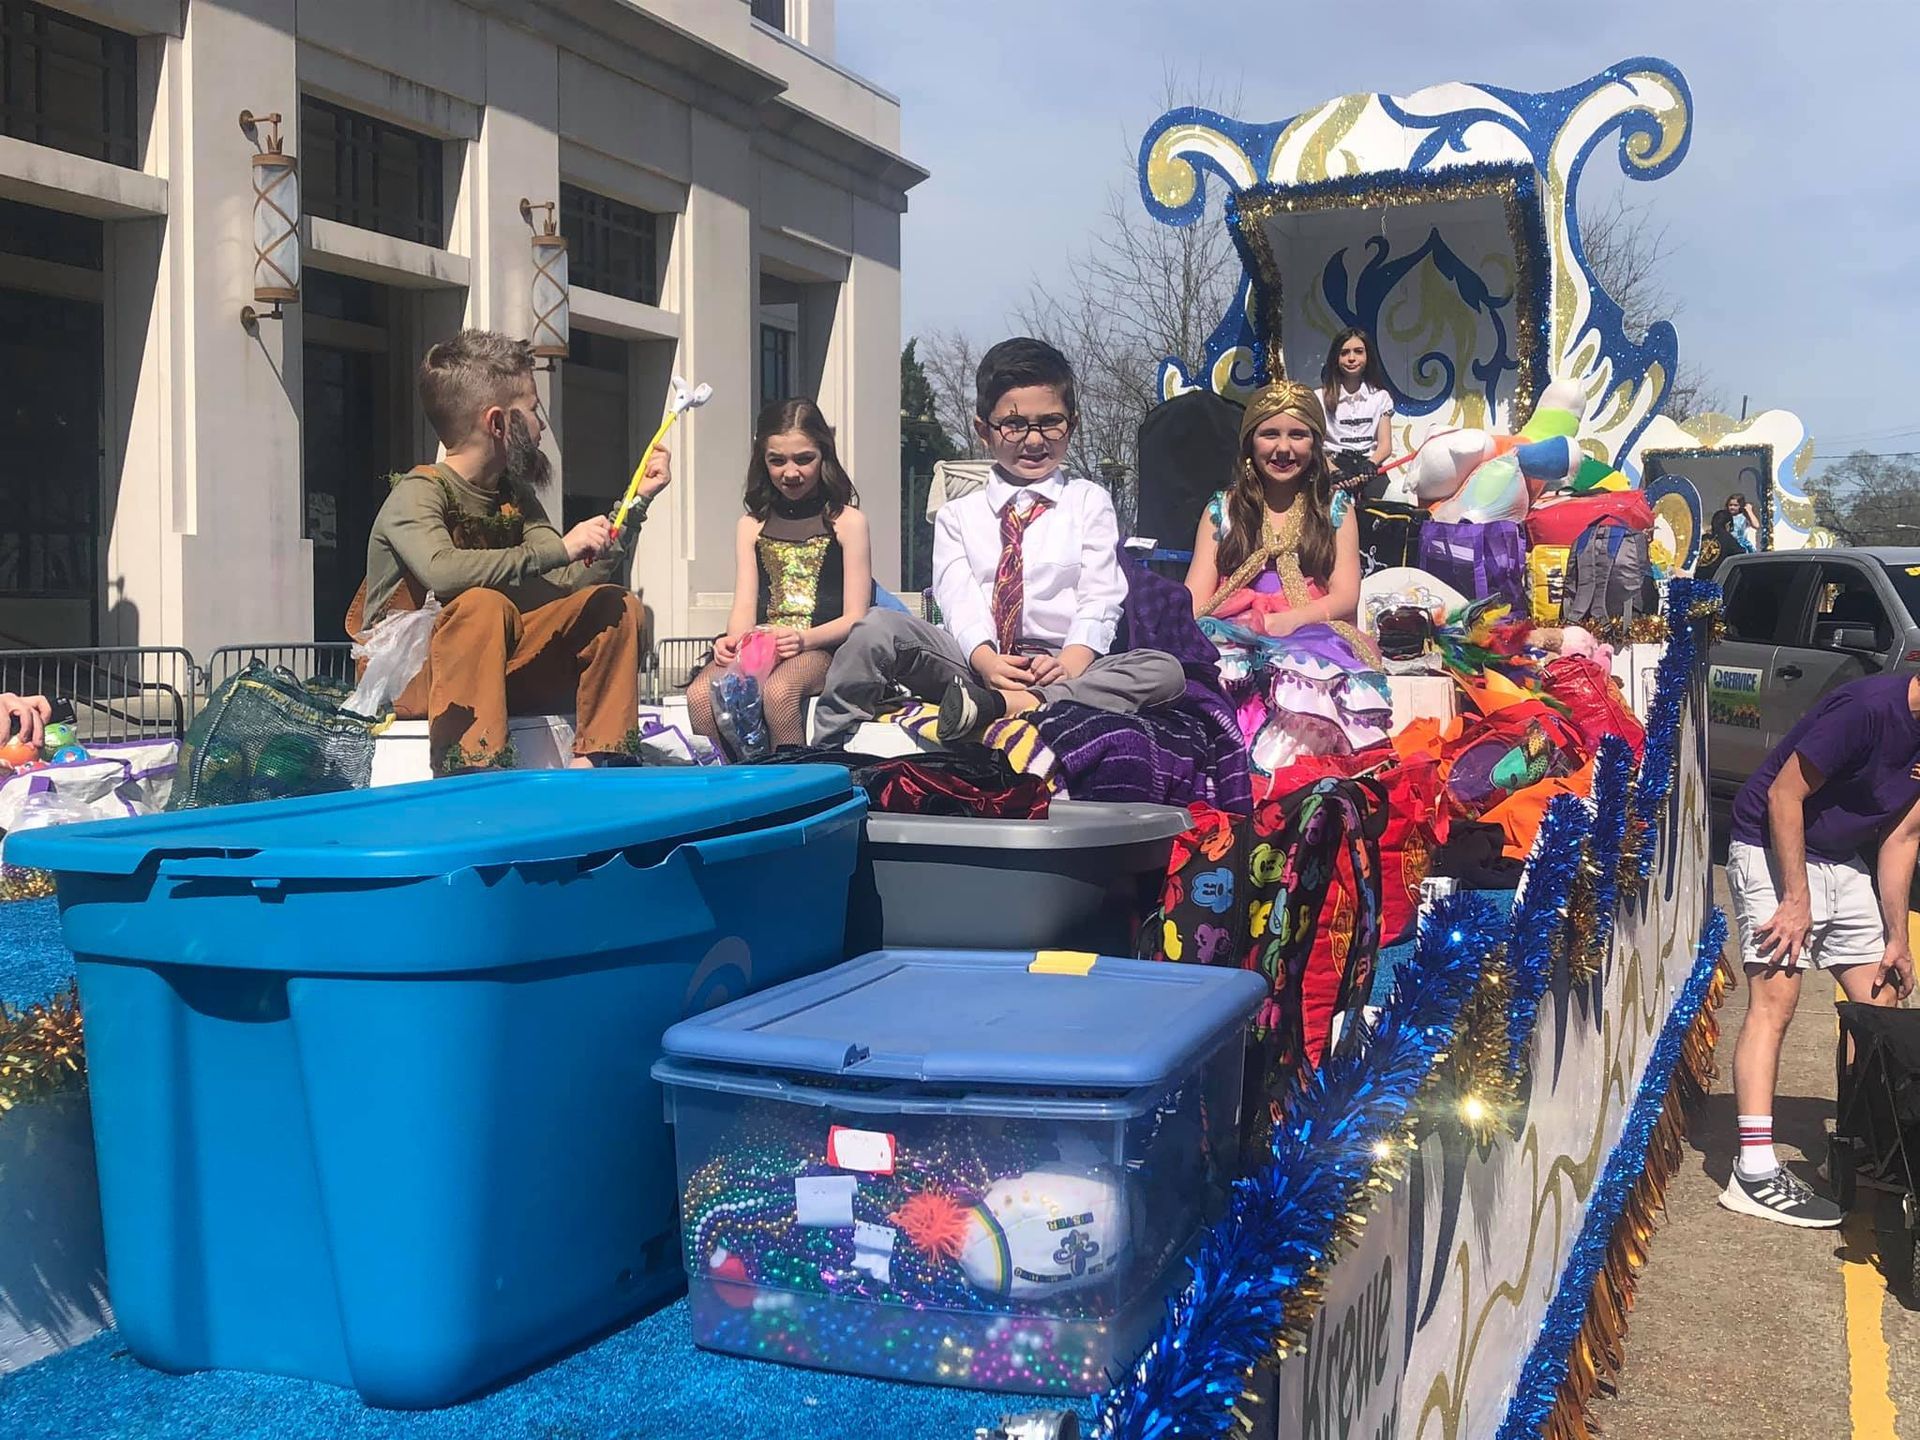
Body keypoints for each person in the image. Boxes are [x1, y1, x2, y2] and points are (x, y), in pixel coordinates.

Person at [812, 337, 1185, 747]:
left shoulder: (1088, 501)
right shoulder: (959, 515)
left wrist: (1071, 661)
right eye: (1015, 425)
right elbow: (959, 599)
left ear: (1072, 424)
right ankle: (830, 745)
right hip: (971, 664)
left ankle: (1013, 704)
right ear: (983, 430)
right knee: (877, 627)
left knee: (1164, 670)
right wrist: (986, 661)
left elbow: (1100, 594)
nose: (1035, 440)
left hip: (1061, 665)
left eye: (1050, 422)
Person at [353, 330, 667, 775]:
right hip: (411, 679)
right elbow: (442, 573)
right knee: (482, 604)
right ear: (498, 423)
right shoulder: (418, 492)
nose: (542, 426)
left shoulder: (514, 494)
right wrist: (559, 549)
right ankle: (472, 770)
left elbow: (565, 580)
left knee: (613, 604)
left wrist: (635, 508)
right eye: (535, 412)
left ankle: (600, 760)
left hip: (496, 669)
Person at [1720, 672, 1920, 1227]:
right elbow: (1786, 794)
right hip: (1770, 843)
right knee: (1776, 1001)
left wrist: (1898, 937)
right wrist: (1795, 901)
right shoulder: (1868, 707)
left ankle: (1857, 1147)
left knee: (1880, 1011)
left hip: (1840, 858)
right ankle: (1753, 1172)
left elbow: (1902, 839)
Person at [1183, 380, 1392, 775]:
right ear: (1249, 444)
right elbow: (1195, 596)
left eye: (1297, 435)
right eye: (1269, 434)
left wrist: (1286, 621)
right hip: (1230, 629)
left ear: (1315, 445)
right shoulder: (1223, 508)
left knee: (1305, 684)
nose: (1283, 448)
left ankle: (1288, 779)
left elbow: (1346, 596)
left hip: (1311, 630)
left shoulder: (1335, 508)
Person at [686, 398, 872, 753]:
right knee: (698, 695)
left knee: (780, 692)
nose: (791, 472)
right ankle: (728, 789)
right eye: (777, 460)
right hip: (761, 646)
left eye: (804, 459)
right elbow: (745, 603)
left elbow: (856, 617)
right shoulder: (750, 525)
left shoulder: (847, 521)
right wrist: (731, 642)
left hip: (823, 647)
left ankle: (794, 789)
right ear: (762, 460)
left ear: (824, 455)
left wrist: (803, 639)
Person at [1320, 327, 1394, 491]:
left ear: (1367, 356)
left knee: (1392, 502)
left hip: (1369, 467)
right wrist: (1334, 471)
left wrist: (1371, 464)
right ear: (1335, 358)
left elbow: (1385, 445)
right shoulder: (1319, 398)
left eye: (1358, 352)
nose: (1351, 358)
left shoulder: (1381, 397)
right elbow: (1313, 445)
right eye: (1344, 353)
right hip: (1333, 468)